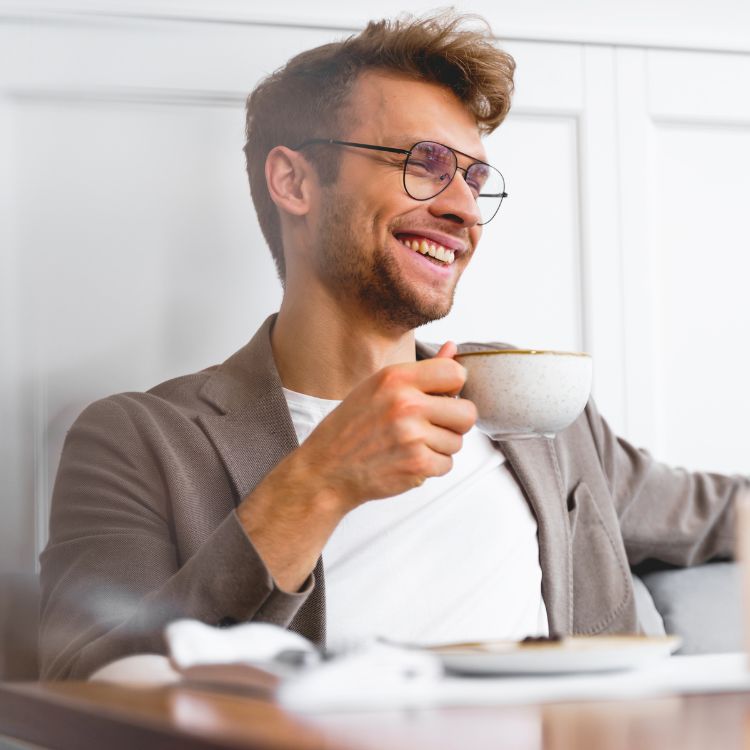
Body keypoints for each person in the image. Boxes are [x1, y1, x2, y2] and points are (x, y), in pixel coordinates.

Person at [39, 12, 747, 680]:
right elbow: (84, 686)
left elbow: (720, 512)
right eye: (425, 162)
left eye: (473, 178)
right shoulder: (136, 440)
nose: (464, 208)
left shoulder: (530, 402)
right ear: (294, 180)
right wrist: (314, 486)